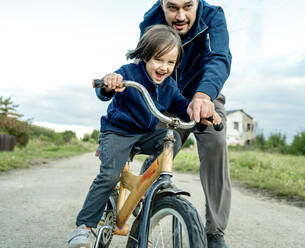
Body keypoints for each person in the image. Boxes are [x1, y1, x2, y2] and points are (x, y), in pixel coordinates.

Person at [67, 24, 220, 248]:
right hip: (117, 132)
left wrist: (201, 114)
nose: (164, 67)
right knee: (109, 175)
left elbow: (182, 106)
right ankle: (83, 227)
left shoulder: (169, 85)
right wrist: (110, 83)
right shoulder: (129, 73)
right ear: (146, 56)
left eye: (170, 63)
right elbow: (105, 91)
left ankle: (148, 184)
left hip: (145, 134)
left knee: (173, 138)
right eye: (159, 60)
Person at [140, 1, 232, 247]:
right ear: (162, 3)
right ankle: (143, 214)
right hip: (169, 95)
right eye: (172, 7)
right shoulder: (151, 20)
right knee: (159, 152)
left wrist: (204, 95)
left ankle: (214, 233)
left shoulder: (213, 16)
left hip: (205, 94)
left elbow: (219, 58)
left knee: (216, 144)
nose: (180, 16)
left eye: (188, 6)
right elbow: (144, 65)